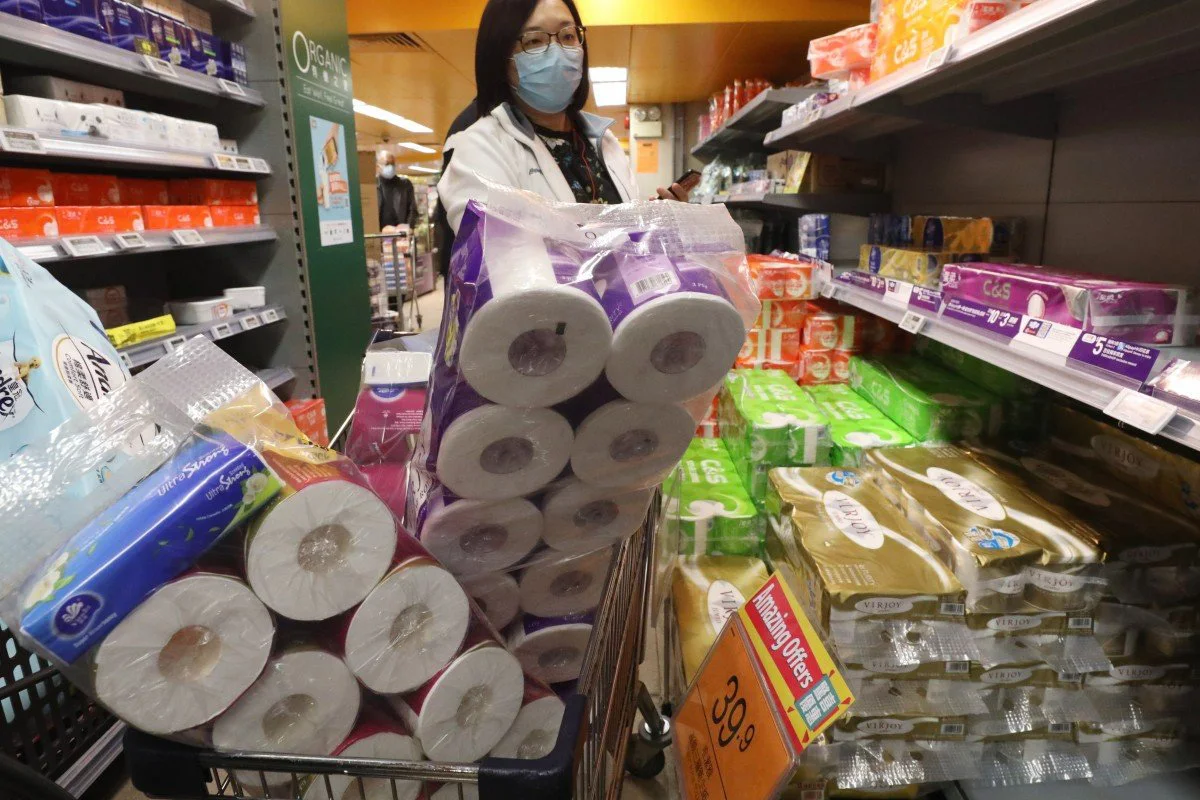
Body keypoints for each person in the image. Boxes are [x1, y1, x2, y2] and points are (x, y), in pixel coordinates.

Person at [438, 0, 691, 234]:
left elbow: (628, 242)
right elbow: (499, 256)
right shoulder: (478, 149)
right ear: (500, 57)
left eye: (568, 35)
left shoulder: (605, 143)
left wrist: (655, 227)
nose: (557, 51)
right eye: (534, 41)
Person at [377, 151, 418, 230]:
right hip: (380, 233)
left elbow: (412, 209)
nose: (390, 167)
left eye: (392, 164)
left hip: (401, 233)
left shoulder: (405, 184)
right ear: (378, 166)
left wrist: (408, 228)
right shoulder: (373, 186)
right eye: (387, 164)